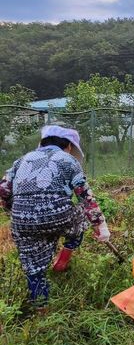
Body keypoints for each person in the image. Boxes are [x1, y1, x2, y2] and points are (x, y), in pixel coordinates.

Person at [0, 126, 111, 310]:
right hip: (58, 215)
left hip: (22, 219)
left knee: (34, 269)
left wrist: (15, 210)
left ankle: (40, 309)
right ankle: (64, 259)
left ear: (42, 142)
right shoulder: (68, 160)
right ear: (68, 145)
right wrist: (101, 226)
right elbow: (85, 197)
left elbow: (3, 189)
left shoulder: (22, 160)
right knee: (80, 220)